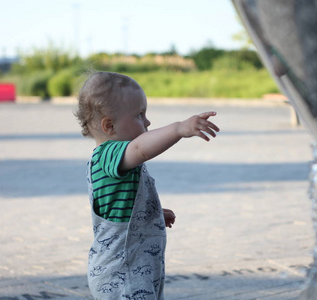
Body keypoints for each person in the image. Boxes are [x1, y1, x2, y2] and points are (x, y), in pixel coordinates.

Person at [75, 71, 219, 299]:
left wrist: (150, 214)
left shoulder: (116, 162)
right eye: (140, 115)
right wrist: (179, 129)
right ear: (109, 126)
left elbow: (118, 210)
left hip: (133, 269)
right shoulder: (108, 155)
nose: (148, 122)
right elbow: (140, 148)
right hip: (122, 272)